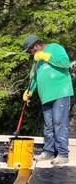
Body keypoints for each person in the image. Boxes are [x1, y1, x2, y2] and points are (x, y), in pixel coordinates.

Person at [21, 35, 73, 164]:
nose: (30, 53)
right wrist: (30, 91)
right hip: (46, 96)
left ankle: (62, 154)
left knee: (59, 122)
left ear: (36, 46)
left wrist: (46, 56)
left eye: (30, 50)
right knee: (48, 125)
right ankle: (48, 152)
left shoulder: (55, 48)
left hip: (60, 92)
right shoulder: (36, 60)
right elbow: (34, 78)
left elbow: (65, 63)